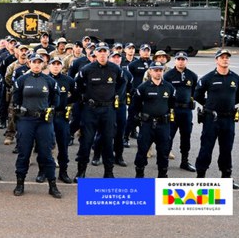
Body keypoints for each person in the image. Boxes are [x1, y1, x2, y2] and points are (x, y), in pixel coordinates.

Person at [11, 54, 62, 198]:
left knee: (46, 154)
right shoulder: (22, 80)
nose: (37, 65)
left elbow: (55, 100)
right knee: (24, 153)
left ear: (44, 64)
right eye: (34, 62)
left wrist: (49, 110)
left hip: (44, 122)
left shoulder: (49, 81)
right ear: (29, 63)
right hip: (26, 120)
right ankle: (20, 183)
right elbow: (16, 99)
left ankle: (52, 185)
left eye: (40, 62)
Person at [73, 42, 125, 181]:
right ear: (95, 54)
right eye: (99, 51)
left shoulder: (115, 69)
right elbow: (77, 83)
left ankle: (108, 172)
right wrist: (83, 96)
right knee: (86, 141)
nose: (102, 54)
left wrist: (117, 95)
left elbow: (123, 82)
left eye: (104, 51)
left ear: (108, 53)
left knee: (108, 141)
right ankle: (81, 172)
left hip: (108, 110)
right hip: (90, 110)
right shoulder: (87, 69)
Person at [194, 49, 239, 190]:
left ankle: (226, 177)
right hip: (211, 119)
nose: (225, 59)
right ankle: (200, 177)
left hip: (228, 119)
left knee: (226, 149)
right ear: (216, 60)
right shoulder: (208, 78)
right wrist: (209, 105)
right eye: (222, 57)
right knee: (206, 148)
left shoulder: (235, 78)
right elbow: (197, 94)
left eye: (227, 57)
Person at [131, 61, 175, 178]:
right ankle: (139, 176)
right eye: (155, 70)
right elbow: (136, 106)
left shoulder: (169, 87)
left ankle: (162, 176)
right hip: (147, 124)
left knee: (163, 152)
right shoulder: (143, 87)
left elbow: (171, 104)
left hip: (163, 125)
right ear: (150, 71)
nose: (158, 72)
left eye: (160, 70)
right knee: (142, 151)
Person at [164, 52, 198, 172]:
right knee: (169, 136)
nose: (181, 61)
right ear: (175, 61)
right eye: (178, 59)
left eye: (183, 59)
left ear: (186, 61)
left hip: (186, 111)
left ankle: (184, 161)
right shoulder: (168, 75)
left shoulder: (192, 76)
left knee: (186, 136)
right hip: (173, 110)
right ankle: (164, 161)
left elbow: (194, 92)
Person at [48, 57, 75, 184]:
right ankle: (43, 172)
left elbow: (76, 95)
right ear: (49, 66)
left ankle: (63, 172)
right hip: (47, 117)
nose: (56, 66)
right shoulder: (44, 79)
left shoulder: (68, 80)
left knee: (63, 145)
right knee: (46, 145)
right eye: (53, 64)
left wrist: (66, 104)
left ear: (62, 66)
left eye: (58, 64)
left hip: (62, 117)